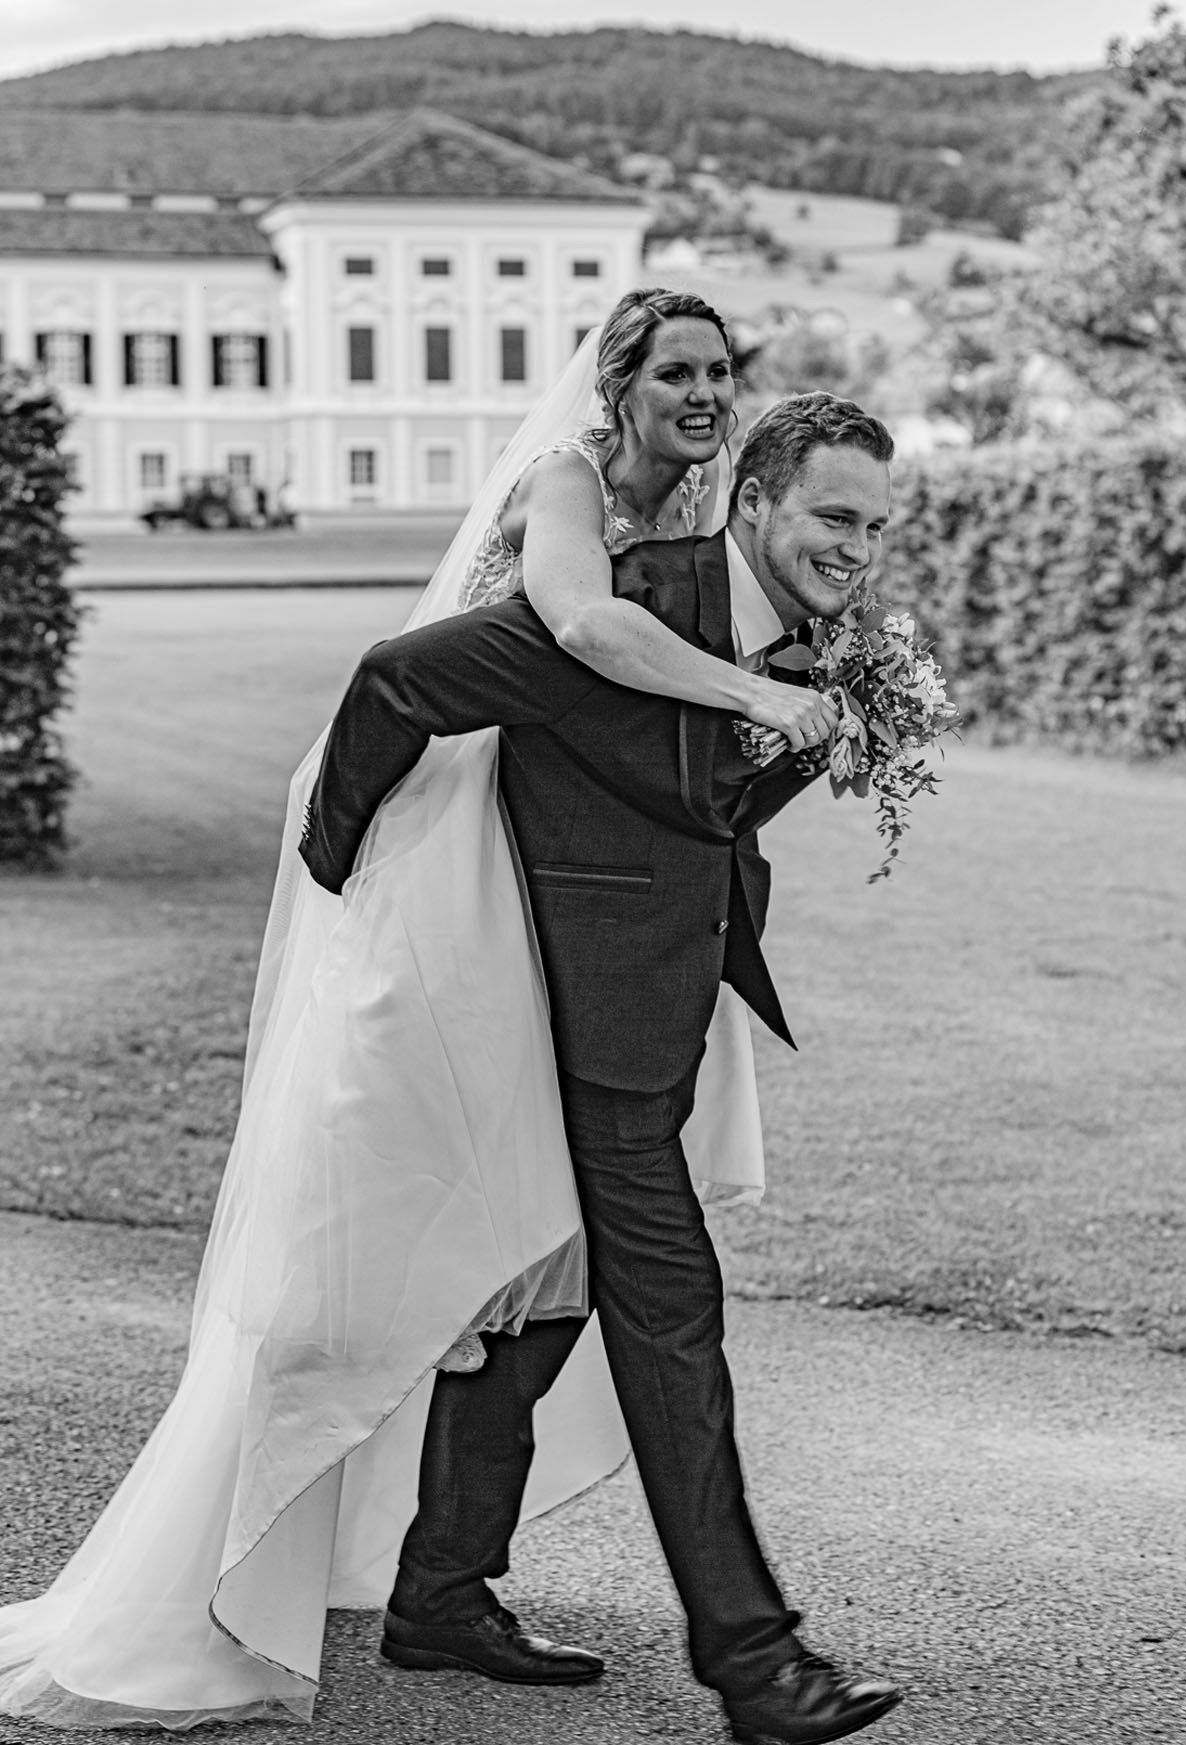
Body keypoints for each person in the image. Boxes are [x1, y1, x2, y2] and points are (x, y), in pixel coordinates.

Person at [0, 290, 833, 1731]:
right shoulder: (567, 484)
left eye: (720, 371)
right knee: (374, 1251)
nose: (705, 392)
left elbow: (675, 756)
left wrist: (805, 722)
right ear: (619, 386)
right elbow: (574, 632)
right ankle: (213, 1572)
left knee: (553, 1240)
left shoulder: (711, 515)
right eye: (676, 371)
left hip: (568, 892)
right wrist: (760, 699)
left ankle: (445, 1581)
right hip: (451, 857)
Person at [300, 391, 904, 1745]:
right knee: (671, 1313)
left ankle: (441, 1590)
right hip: (569, 1024)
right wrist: (336, 877)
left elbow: (709, 809)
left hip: (657, 1012)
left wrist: (828, 738)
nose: (858, 548)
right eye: (835, 516)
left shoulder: (812, 645)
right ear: (756, 499)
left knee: (549, 1297)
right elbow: (397, 681)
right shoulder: (626, 609)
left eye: (876, 526)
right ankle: (758, 1664)